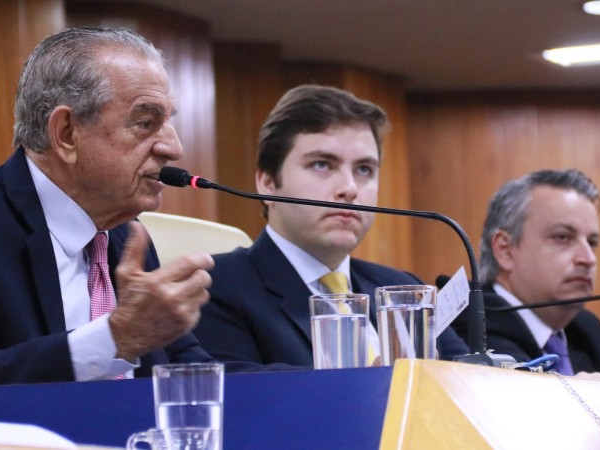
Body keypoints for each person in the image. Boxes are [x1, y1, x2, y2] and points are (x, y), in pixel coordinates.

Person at [0, 26, 216, 389]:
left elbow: (190, 370)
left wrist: (299, 384)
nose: (174, 147)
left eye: (169, 122)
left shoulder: (126, 236)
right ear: (66, 133)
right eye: (146, 122)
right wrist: (114, 341)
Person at [190, 85, 469, 367]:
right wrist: (372, 383)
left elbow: (469, 378)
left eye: (364, 170)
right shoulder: (212, 287)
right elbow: (242, 395)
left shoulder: (404, 288)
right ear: (268, 183)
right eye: (322, 164)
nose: (349, 189)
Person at [451, 169, 600, 381]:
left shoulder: (586, 330)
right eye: (562, 237)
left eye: (592, 243)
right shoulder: (470, 326)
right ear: (505, 250)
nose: (588, 258)